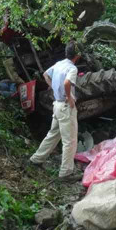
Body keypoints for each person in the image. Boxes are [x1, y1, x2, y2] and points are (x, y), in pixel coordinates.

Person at [29, 41, 82, 182]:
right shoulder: (72, 68)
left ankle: (37, 159)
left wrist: (53, 87)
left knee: (53, 134)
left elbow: (46, 74)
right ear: (77, 56)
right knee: (69, 141)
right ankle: (65, 173)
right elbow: (67, 83)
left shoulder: (59, 64)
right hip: (65, 107)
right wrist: (70, 97)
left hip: (57, 105)